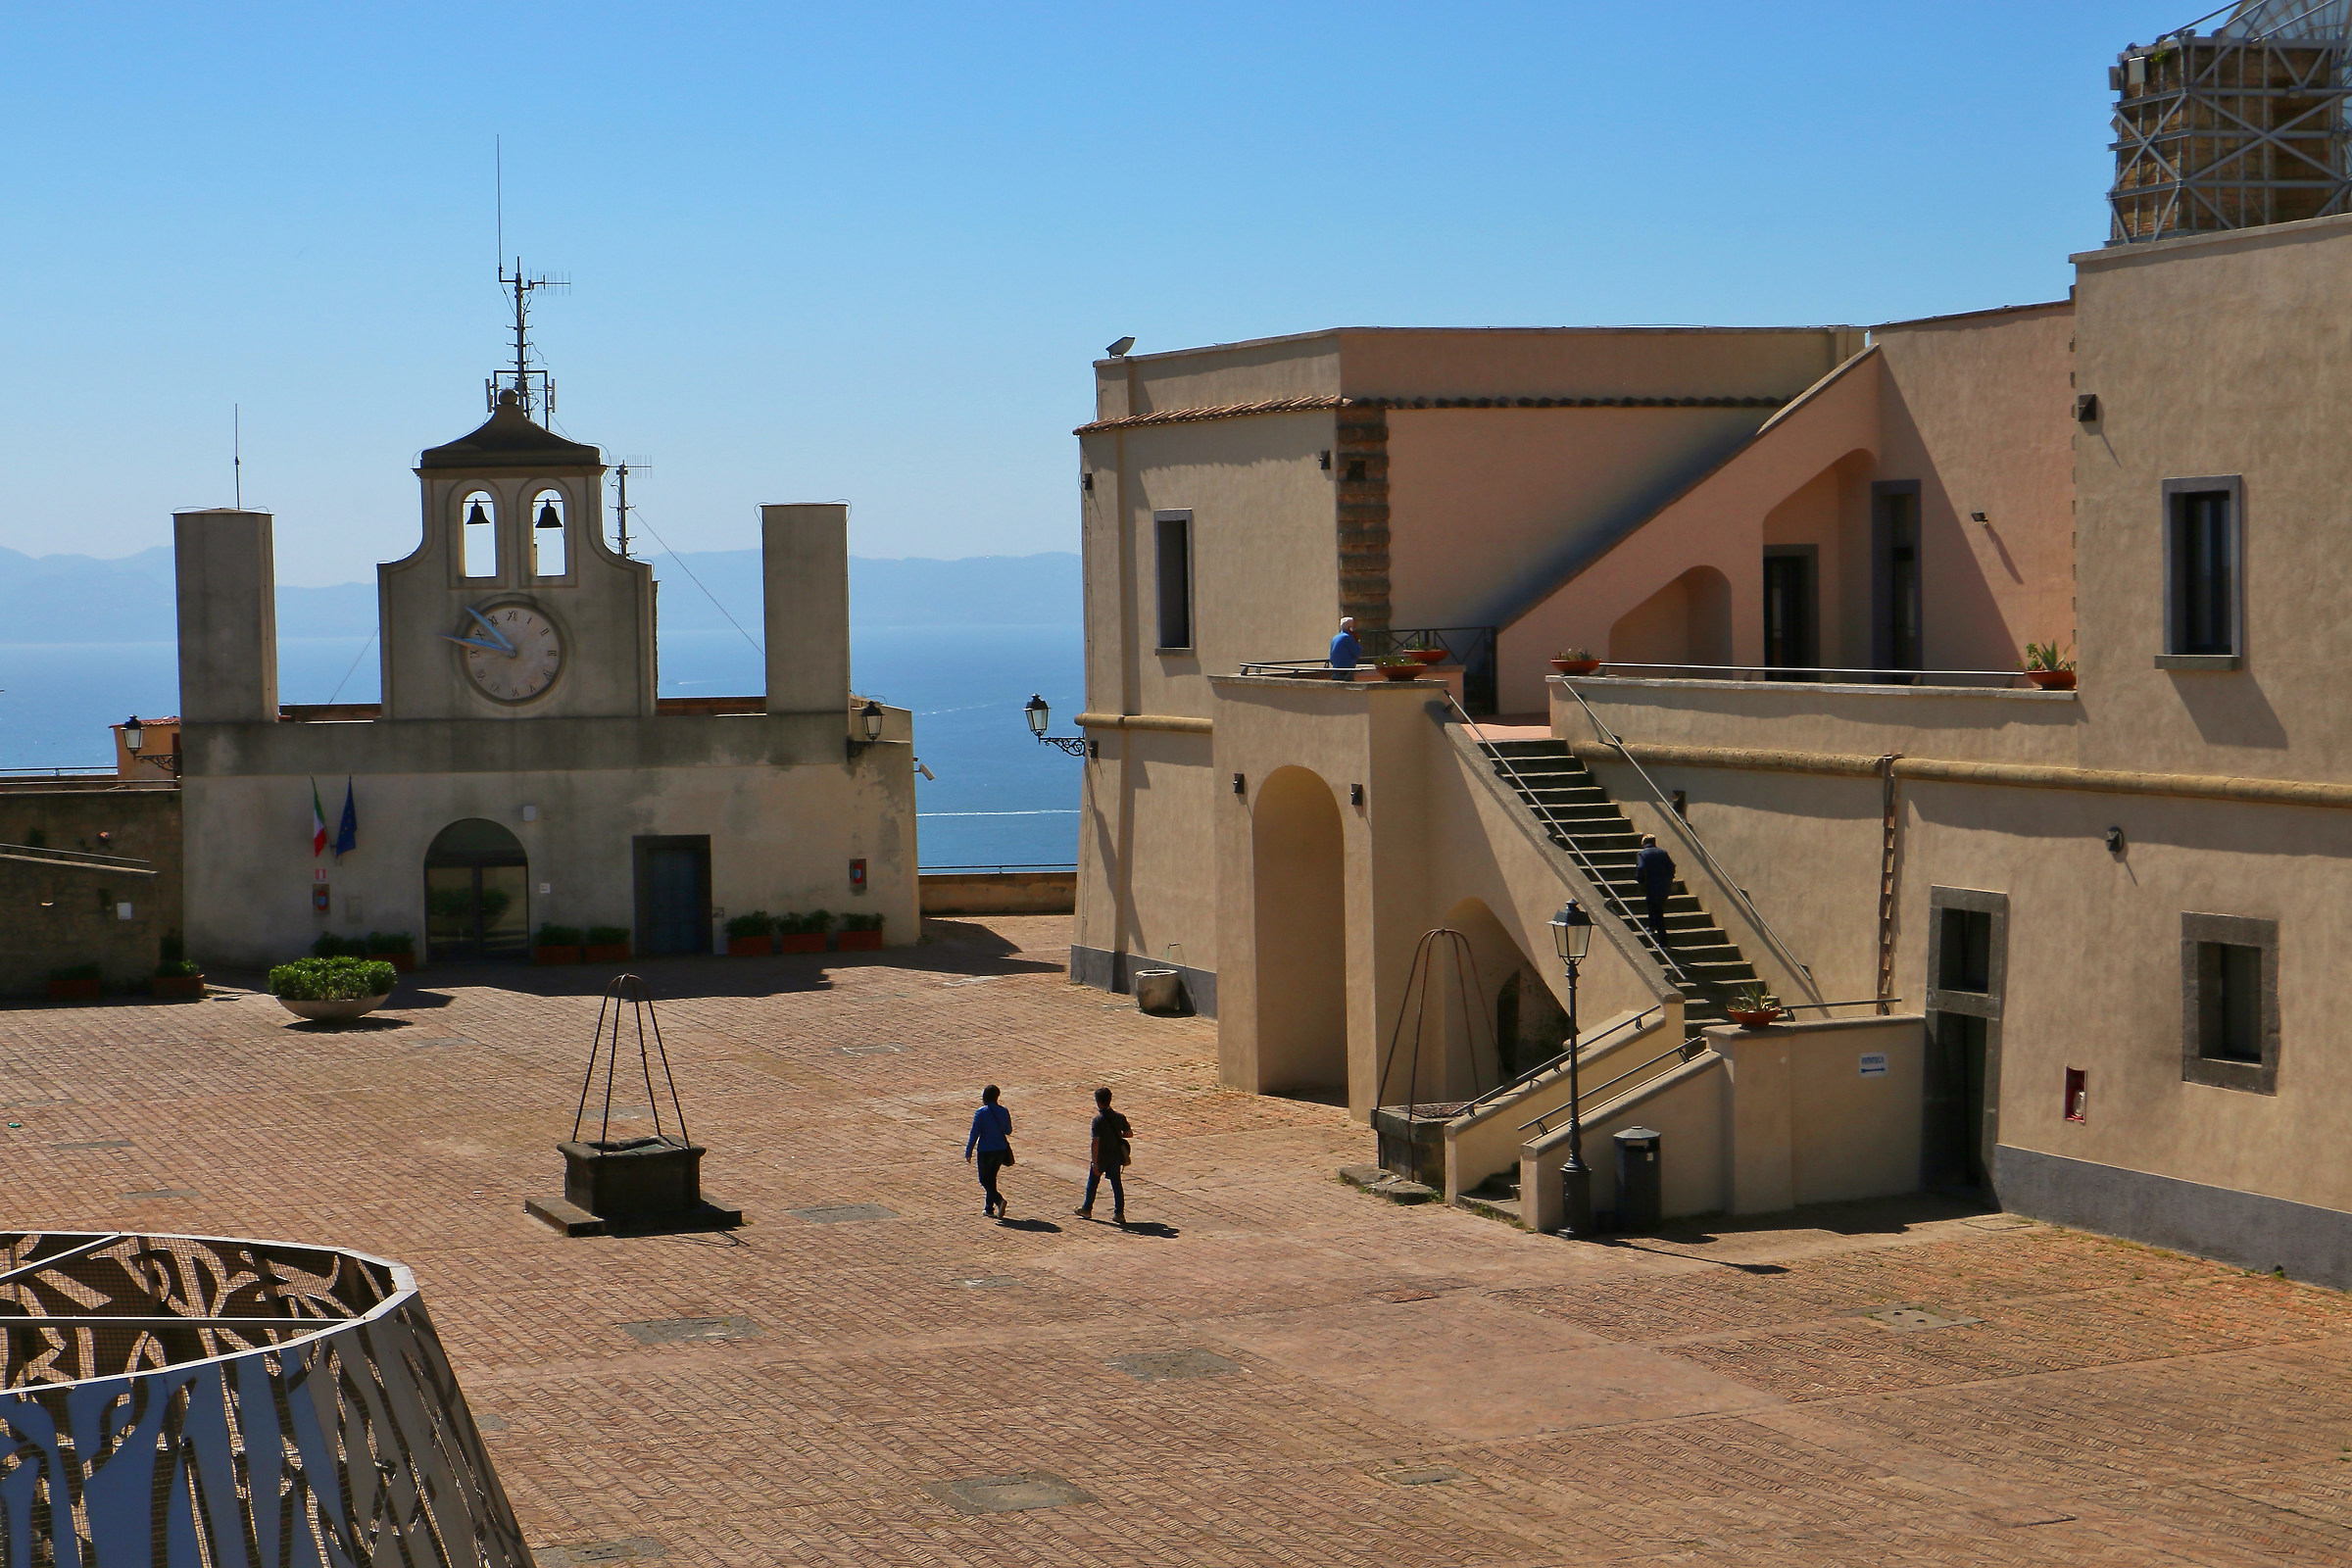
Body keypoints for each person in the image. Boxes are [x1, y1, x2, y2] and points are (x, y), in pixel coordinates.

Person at [1075, 1086, 1131, 1225]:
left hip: (1101, 1157)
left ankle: (1087, 1208)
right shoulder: (1119, 1117)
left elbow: (1095, 1142)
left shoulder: (1098, 1121)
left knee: (1092, 1183)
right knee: (1117, 1185)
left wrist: (1094, 1162)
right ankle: (1119, 1213)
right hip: (1115, 1157)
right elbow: (1129, 1134)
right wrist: (1119, 1135)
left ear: (1098, 1102)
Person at [963, 1085, 1014, 1218]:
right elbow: (1008, 1130)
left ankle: (999, 1200)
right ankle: (989, 1208)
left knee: (984, 1179)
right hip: (1000, 1149)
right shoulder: (1004, 1111)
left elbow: (974, 1133)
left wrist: (969, 1151)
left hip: (985, 1150)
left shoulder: (981, 1112)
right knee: (991, 1178)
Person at [1634, 833, 1675, 952]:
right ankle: (1651, 926)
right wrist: (1669, 879)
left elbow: (1641, 868)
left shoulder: (1642, 854)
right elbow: (1671, 867)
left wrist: (1640, 880)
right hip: (1664, 886)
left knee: (1657, 912)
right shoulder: (1663, 852)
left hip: (1651, 886)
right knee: (1654, 906)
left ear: (1644, 843)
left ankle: (1662, 940)